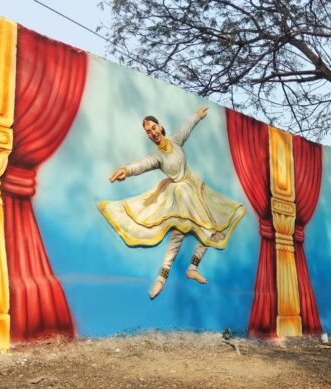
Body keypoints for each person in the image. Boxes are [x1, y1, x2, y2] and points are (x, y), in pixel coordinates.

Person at [98, 105, 246, 299]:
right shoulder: (156, 156)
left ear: (160, 126)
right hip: (179, 194)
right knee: (180, 235)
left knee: (212, 229)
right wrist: (126, 170)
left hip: (195, 189)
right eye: (148, 132)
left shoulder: (175, 141)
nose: (152, 133)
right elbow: (142, 164)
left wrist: (196, 116)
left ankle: (192, 267)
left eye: (153, 128)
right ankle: (162, 278)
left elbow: (185, 128)